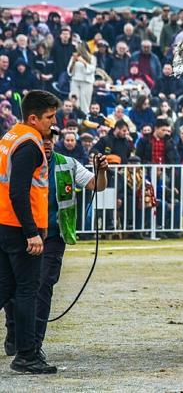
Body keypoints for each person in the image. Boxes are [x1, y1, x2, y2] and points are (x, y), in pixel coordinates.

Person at [4, 126, 108, 363]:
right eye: (43, 138)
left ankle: (33, 345)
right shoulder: (21, 161)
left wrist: (101, 171)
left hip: (53, 235)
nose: (48, 143)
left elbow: (96, 185)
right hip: (22, 232)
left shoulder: (67, 164)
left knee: (43, 287)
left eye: (51, 139)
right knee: (14, 288)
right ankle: (14, 329)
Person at [0, 90, 58, 374]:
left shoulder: (12, 136)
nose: (53, 123)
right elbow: (19, 193)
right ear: (33, 118)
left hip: (4, 224)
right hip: (18, 227)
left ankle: (25, 353)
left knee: (5, 288)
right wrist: (31, 232)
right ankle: (26, 355)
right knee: (26, 291)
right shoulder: (30, 144)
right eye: (49, 117)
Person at [67, 41, 96, 114]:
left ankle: (85, 118)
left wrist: (84, 62)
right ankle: (75, 116)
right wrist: (74, 61)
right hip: (75, 80)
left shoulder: (92, 58)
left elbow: (92, 69)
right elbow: (69, 71)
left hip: (86, 82)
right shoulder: (74, 57)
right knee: (74, 100)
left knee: (85, 102)